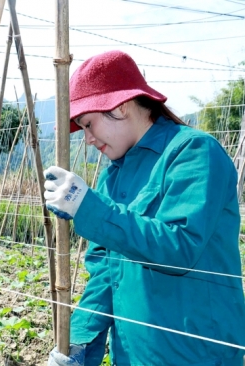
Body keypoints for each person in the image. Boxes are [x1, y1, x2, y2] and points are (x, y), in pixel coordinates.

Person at [44, 50, 245, 365]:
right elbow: (104, 273)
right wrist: (81, 342)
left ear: (121, 107)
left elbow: (180, 246)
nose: (88, 139)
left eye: (88, 124)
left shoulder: (193, 152)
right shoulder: (113, 176)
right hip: (133, 352)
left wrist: (89, 208)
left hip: (196, 354)